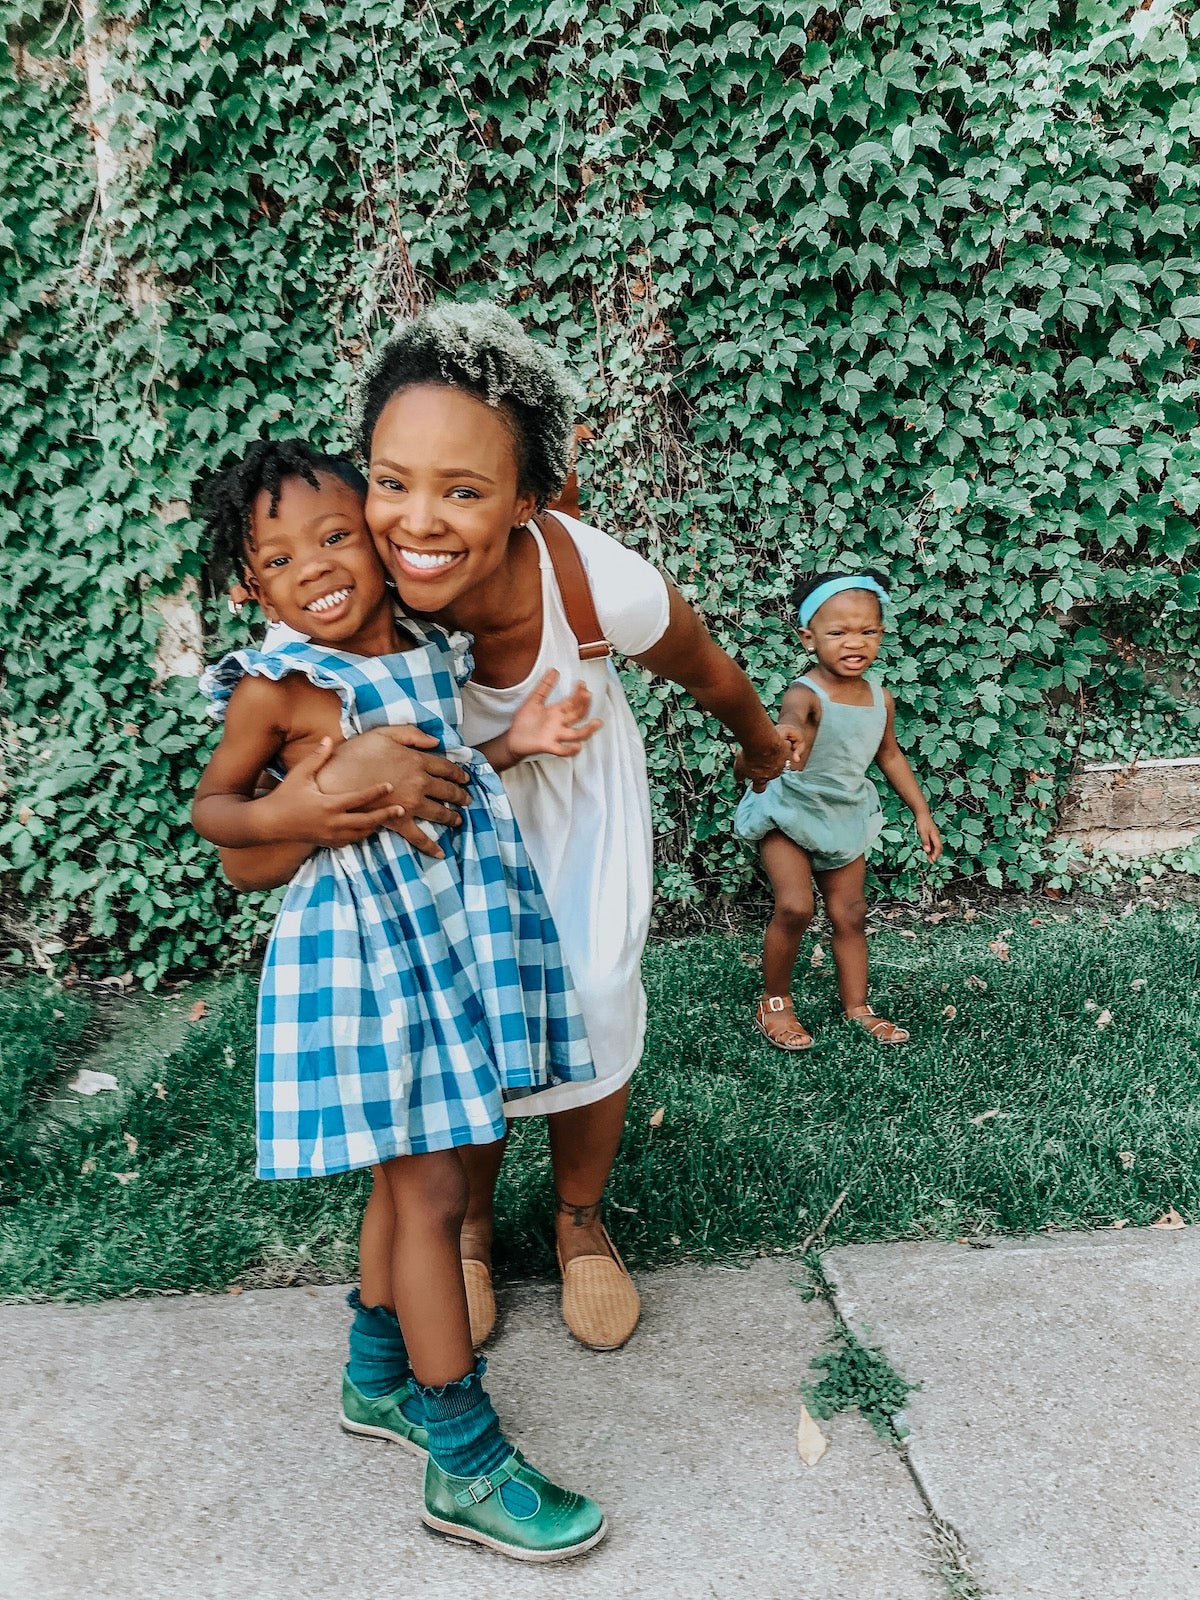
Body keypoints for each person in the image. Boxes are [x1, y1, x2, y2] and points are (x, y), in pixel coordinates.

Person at [222, 302, 794, 1356]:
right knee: (462, 1023)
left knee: (594, 996)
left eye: (464, 490)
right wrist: (323, 793)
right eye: (390, 483)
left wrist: (759, 746)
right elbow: (250, 837)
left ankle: (579, 1221)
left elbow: (707, 666)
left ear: (529, 499)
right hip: (433, 840)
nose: (418, 521)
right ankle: (470, 1226)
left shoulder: (592, 579)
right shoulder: (336, 602)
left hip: (575, 808)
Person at [191, 439, 607, 1562]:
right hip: (368, 958)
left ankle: (377, 1375)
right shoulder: (282, 682)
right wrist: (304, 812)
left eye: (334, 536)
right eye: (279, 556)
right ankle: (462, 1461)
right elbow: (219, 815)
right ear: (251, 586)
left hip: (449, 941)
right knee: (427, 1186)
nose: (315, 567)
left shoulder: (430, 641)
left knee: (408, 1167)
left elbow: (444, 750)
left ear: (375, 541)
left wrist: (512, 739)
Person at [734, 571, 942, 1051]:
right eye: (838, 632)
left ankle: (857, 1006)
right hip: (789, 807)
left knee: (850, 914)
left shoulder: (879, 698)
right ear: (809, 638)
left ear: (882, 634)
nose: (855, 643)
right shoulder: (805, 693)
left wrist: (921, 812)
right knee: (795, 906)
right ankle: (775, 1001)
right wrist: (788, 735)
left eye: (868, 631)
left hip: (844, 812)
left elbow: (888, 755)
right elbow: (790, 719)